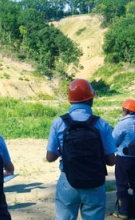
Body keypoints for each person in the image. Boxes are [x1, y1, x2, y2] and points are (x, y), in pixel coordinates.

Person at [46, 78, 116, 220]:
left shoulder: (59, 122)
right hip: (94, 182)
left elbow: (50, 157)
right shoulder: (102, 124)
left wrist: (63, 149)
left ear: (70, 101)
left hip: (68, 181)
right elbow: (111, 161)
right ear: (91, 99)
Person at [112, 99, 135, 219]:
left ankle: (123, 211)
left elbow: (113, 141)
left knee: (122, 185)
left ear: (126, 110)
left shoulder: (123, 124)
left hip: (124, 159)